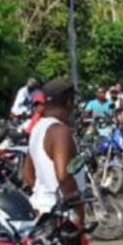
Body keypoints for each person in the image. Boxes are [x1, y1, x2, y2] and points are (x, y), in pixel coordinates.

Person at [22, 77, 82, 221]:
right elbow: (63, 176)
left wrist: (43, 194)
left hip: (39, 209)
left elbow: (27, 174)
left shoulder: (37, 128)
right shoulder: (60, 131)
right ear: (68, 103)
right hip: (60, 215)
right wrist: (79, 213)